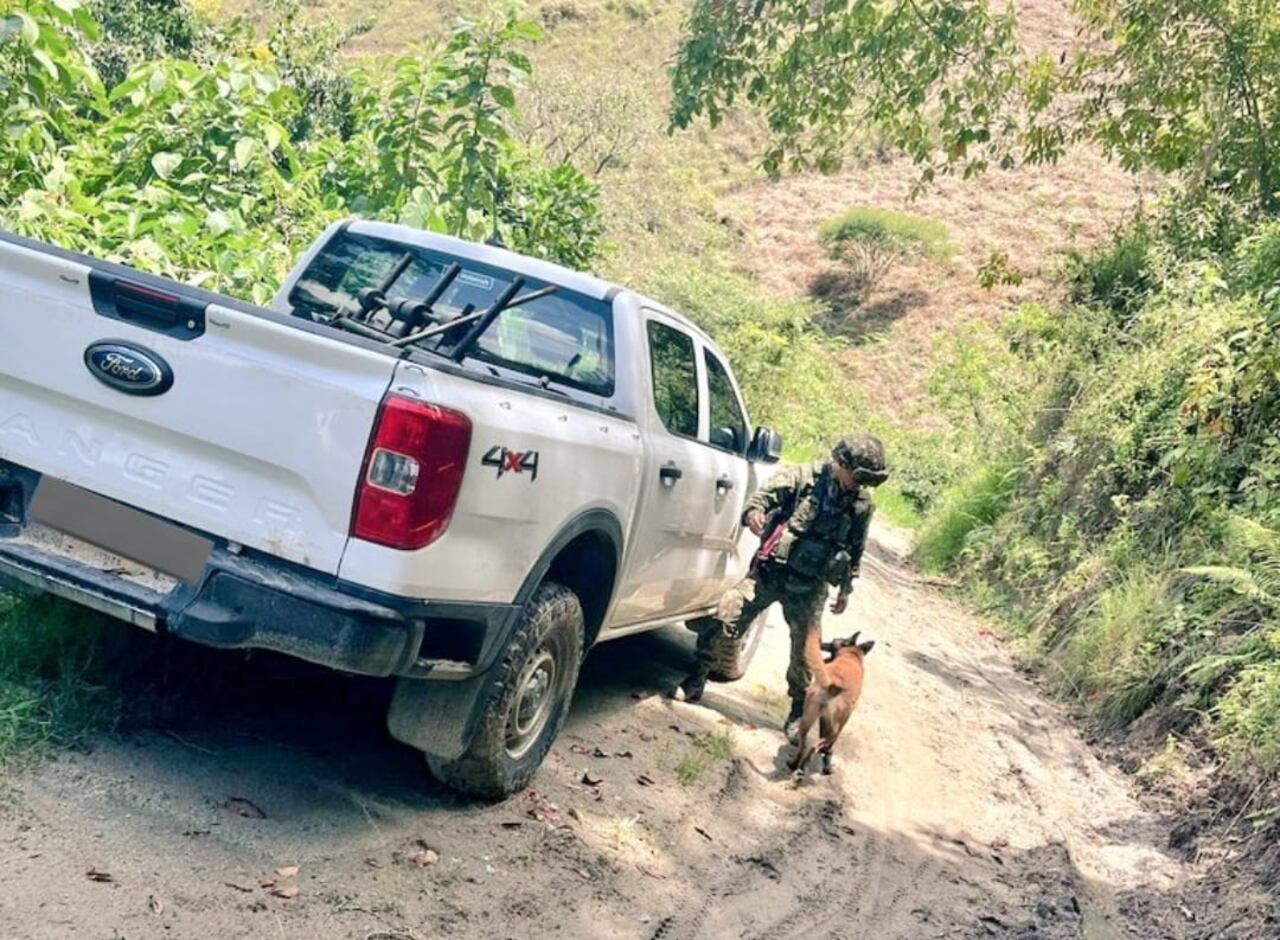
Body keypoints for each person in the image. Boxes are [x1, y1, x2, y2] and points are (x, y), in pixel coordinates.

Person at [672, 433, 889, 744]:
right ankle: (696, 678)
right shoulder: (801, 478)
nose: (859, 486)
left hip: (810, 585)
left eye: (866, 482)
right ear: (840, 463)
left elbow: (856, 547)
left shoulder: (861, 506)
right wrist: (754, 516)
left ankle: (798, 711)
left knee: (806, 653)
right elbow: (759, 501)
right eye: (857, 477)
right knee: (728, 614)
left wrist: (846, 588)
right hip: (770, 573)